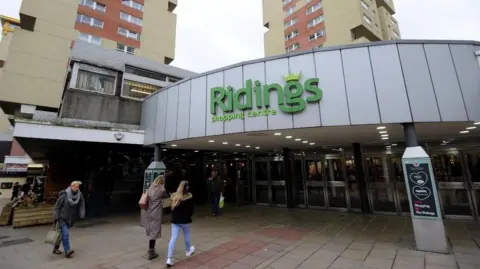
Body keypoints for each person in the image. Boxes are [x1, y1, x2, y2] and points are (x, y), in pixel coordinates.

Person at [52, 181, 86, 258]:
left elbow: (82, 204)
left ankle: (55, 248)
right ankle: (67, 250)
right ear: (71, 186)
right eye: (75, 186)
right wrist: (56, 217)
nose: (77, 188)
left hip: (70, 218)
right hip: (62, 217)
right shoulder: (64, 195)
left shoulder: (79, 195)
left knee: (61, 234)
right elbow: (57, 207)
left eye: (78, 187)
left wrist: (82, 213)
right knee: (65, 233)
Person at [166, 180, 195, 267]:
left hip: (175, 220)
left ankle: (169, 258)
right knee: (186, 234)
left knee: (173, 238)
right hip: (185, 220)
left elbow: (171, 209)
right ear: (186, 188)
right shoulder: (188, 198)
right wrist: (188, 216)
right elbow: (191, 210)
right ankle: (188, 250)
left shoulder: (174, 197)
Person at [140, 175, 167, 260]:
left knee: (151, 230)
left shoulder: (150, 188)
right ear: (162, 182)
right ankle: (151, 252)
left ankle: (151, 250)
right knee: (154, 233)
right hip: (156, 212)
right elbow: (166, 197)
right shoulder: (162, 189)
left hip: (148, 211)